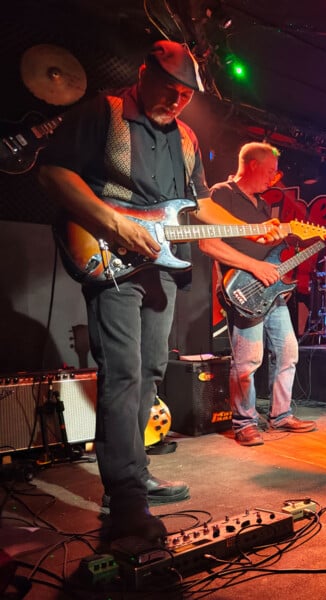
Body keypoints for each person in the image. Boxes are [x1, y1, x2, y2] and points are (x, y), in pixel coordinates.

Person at [37, 41, 284, 544]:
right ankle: (124, 494)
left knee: (151, 367)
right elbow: (53, 172)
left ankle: (135, 470)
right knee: (122, 371)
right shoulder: (101, 114)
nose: (175, 102)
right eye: (168, 90)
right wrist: (111, 223)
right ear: (142, 71)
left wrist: (250, 229)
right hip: (110, 258)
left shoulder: (189, 139)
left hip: (161, 269)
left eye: (185, 96)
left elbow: (194, 207)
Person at [198, 142, 317, 447]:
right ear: (252, 165)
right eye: (270, 171)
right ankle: (244, 423)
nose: (273, 178)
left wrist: (280, 271)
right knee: (249, 360)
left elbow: (268, 251)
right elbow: (208, 245)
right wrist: (255, 266)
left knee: (288, 352)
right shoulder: (221, 194)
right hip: (242, 289)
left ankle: (280, 414)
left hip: (270, 290)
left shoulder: (262, 205)